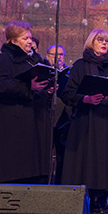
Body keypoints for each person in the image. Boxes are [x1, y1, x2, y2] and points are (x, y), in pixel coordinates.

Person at [61, 29, 108, 213]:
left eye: (107, 40)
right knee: (88, 160)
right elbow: (68, 94)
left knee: (106, 159)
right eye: (100, 40)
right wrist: (85, 99)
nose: (104, 43)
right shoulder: (80, 65)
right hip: (87, 121)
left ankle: (102, 197)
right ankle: (88, 197)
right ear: (92, 41)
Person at [0, 21, 52, 184]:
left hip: (35, 116)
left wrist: (48, 86)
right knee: (17, 161)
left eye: (30, 37)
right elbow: (0, 85)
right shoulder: (6, 59)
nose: (30, 41)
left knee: (34, 159)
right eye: (25, 38)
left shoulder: (36, 59)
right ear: (13, 41)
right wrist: (27, 87)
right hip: (14, 119)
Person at [47, 45, 71, 185]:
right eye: (54, 54)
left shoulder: (70, 73)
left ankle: (60, 185)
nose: (58, 57)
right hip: (47, 118)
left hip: (64, 119)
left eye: (61, 54)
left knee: (63, 156)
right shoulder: (43, 71)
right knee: (46, 156)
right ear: (48, 55)